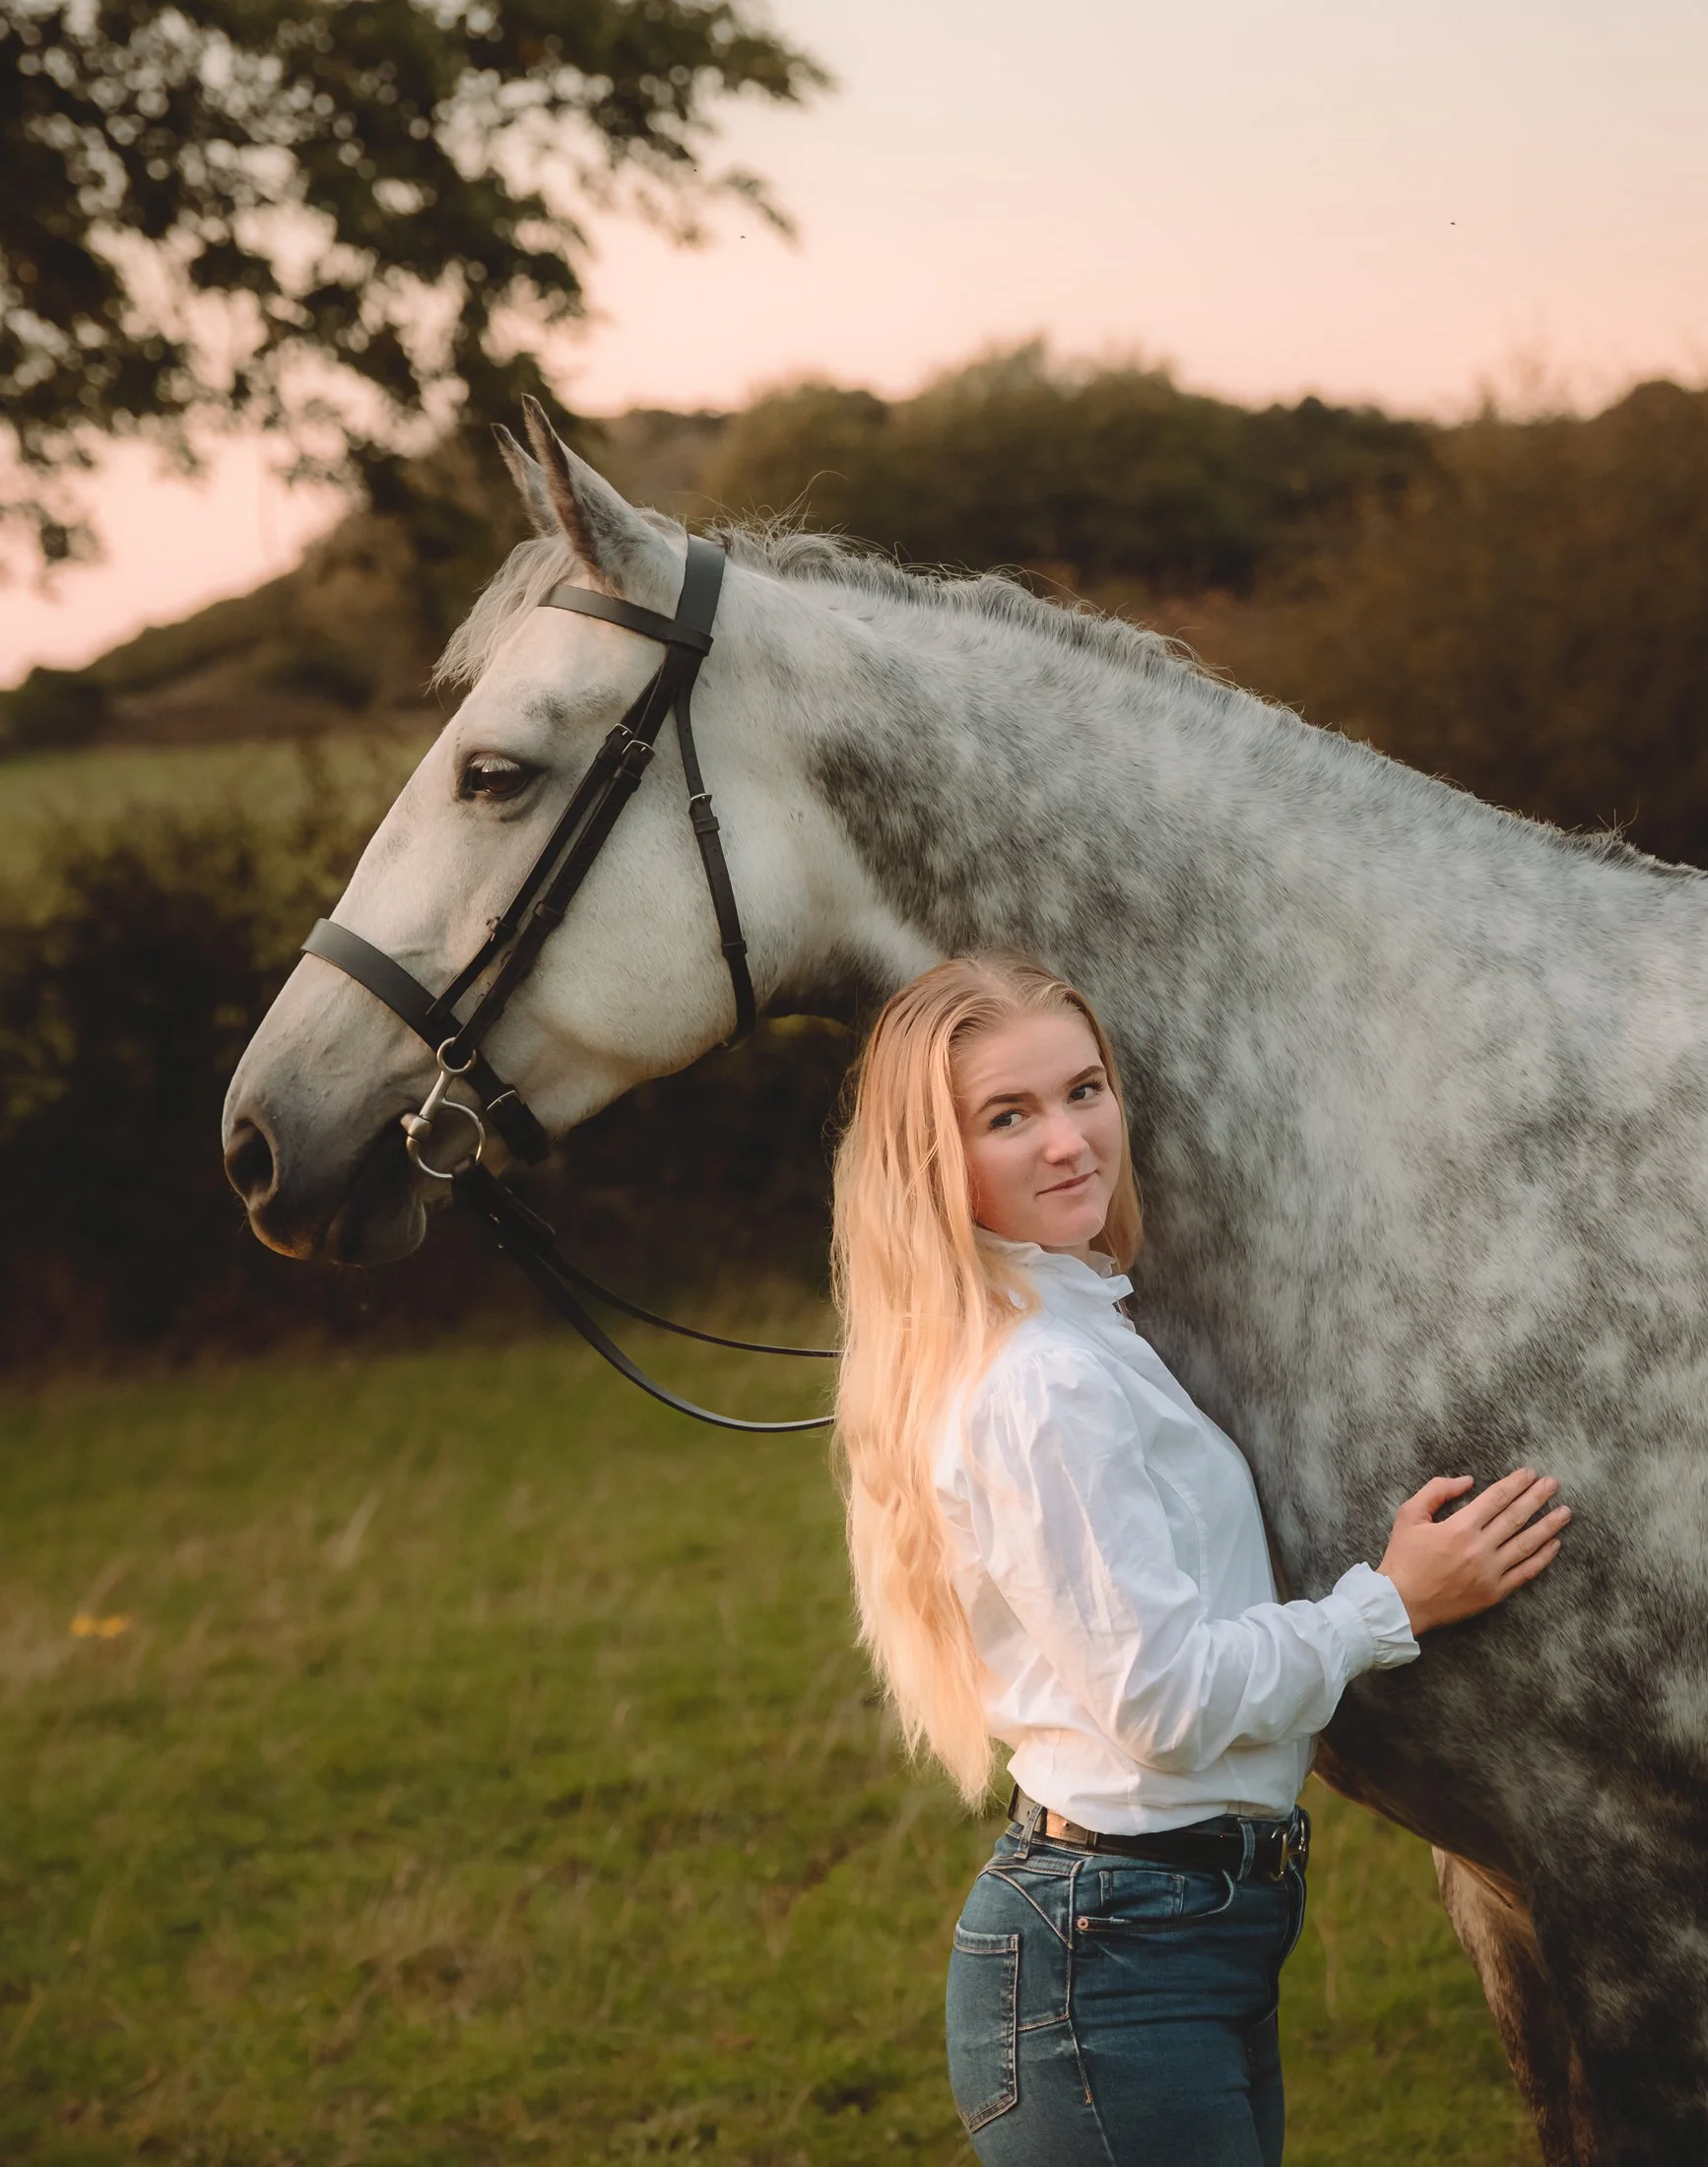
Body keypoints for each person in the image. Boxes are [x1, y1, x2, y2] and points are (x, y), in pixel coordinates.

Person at [828, 952, 1568, 2167]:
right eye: (1008, 1116)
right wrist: (1392, 1602)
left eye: (1083, 1090)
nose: (1070, 1140)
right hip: (1113, 1962)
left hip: (1177, 1928)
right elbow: (1162, 1702)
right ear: (932, 1162)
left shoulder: (1076, 1324)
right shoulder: (1047, 1381)